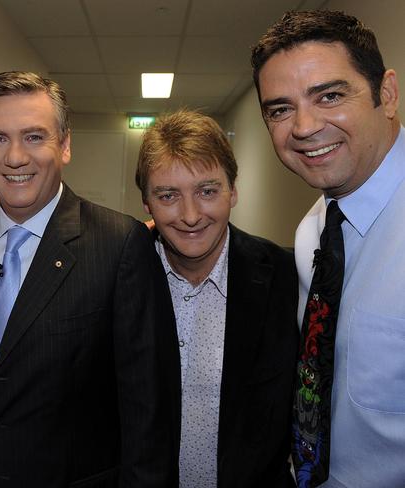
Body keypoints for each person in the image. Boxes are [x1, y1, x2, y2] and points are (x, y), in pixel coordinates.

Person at [0, 71, 181, 487]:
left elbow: (148, 413)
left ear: (66, 145)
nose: (15, 157)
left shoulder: (119, 245)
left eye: (35, 137)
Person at [252, 10, 404, 488]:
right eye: (279, 109)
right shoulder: (312, 231)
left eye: (330, 96)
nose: (303, 126)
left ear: (387, 94)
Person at [136, 110, 298, 488]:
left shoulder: (287, 279)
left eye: (208, 191)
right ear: (146, 202)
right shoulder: (119, 274)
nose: (190, 216)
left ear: (233, 191)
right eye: (168, 195)